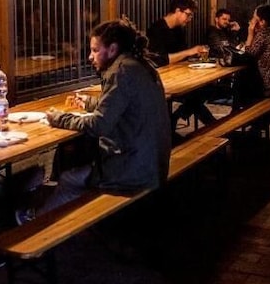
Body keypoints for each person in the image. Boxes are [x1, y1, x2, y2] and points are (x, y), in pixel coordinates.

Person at [15, 19, 171, 223]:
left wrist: (59, 118)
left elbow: (99, 125)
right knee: (78, 155)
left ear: (112, 49)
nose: (90, 56)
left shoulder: (121, 71)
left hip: (135, 171)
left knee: (69, 178)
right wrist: (89, 103)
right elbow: (123, 105)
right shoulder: (139, 65)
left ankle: (36, 220)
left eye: (95, 50)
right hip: (154, 162)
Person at [145, 0, 216, 126]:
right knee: (195, 96)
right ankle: (213, 126)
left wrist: (195, 56)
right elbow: (161, 60)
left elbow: (182, 54)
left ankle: (175, 117)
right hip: (162, 78)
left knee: (208, 88)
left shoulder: (178, 30)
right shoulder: (157, 30)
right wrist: (190, 51)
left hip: (179, 74)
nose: (189, 19)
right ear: (178, 11)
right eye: (188, 15)